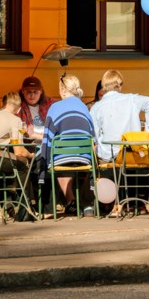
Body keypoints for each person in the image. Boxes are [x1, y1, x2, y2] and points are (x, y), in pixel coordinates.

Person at [40, 73, 95, 210]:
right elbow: (93, 138)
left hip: (62, 157)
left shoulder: (55, 107)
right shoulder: (85, 108)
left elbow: (47, 139)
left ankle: (68, 201)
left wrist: (43, 165)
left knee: (57, 160)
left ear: (62, 90)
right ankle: (86, 204)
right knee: (82, 164)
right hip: (85, 157)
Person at [91, 69, 149, 164]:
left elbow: (94, 136)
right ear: (119, 85)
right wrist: (148, 131)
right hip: (132, 155)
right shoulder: (132, 99)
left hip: (108, 157)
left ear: (104, 86)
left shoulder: (96, 107)